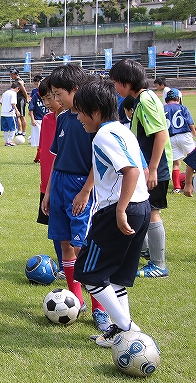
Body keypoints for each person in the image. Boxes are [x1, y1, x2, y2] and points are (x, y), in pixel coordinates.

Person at [71, 78, 151, 347]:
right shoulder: (122, 129)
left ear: (95, 112)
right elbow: (139, 167)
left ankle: (129, 330)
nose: (78, 116)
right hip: (141, 207)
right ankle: (120, 332)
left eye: (81, 111)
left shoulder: (104, 136)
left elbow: (131, 170)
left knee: (89, 272)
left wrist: (119, 209)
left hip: (121, 209)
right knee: (116, 277)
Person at [42, 65, 111, 332]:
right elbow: (57, 159)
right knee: (65, 245)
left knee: (83, 247)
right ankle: (76, 299)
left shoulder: (91, 120)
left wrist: (86, 190)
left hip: (81, 185)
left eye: (60, 94)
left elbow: (99, 159)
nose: (56, 100)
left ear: (76, 90)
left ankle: (100, 308)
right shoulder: (62, 119)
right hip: (59, 184)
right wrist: (48, 192)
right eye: (54, 95)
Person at [110, 59, 172, 278]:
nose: (115, 87)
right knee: (143, 209)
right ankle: (146, 251)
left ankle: (159, 264)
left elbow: (161, 134)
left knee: (153, 212)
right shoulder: (143, 99)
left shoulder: (145, 100)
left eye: (117, 82)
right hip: (146, 166)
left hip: (154, 167)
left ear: (128, 82)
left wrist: (153, 168)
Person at [35, 77, 64, 273]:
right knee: (54, 228)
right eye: (44, 99)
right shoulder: (47, 119)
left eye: (50, 98)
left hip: (64, 182)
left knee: (70, 229)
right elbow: (46, 150)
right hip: (47, 184)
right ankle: (63, 266)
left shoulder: (73, 119)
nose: (47, 103)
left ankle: (74, 267)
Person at [163, 90, 196, 193]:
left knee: (176, 163)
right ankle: (190, 182)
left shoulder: (163, 109)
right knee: (193, 157)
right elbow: (190, 123)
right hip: (184, 135)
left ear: (166, 99)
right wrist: (194, 133)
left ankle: (177, 187)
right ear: (178, 99)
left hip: (170, 137)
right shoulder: (182, 107)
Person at [28, 75, 47, 153]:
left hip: (46, 120)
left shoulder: (49, 96)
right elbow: (31, 109)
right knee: (39, 140)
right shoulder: (35, 96)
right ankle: (39, 155)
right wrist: (33, 120)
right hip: (38, 120)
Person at [0, 81, 20, 146]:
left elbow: (1, 102)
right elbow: (13, 103)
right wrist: (17, 111)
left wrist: (5, 107)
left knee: (5, 129)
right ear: (17, 88)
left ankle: (7, 141)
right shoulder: (13, 93)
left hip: (3, 113)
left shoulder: (5, 93)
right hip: (10, 114)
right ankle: (10, 141)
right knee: (13, 128)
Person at [9, 68, 29, 137]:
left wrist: (26, 99)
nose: (11, 76)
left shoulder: (20, 81)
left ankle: (23, 131)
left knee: (21, 116)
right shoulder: (15, 81)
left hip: (21, 99)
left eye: (12, 74)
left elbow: (24, 91)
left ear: (15, 74)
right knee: (17, 116)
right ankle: (19, 130)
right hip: (16, 99)